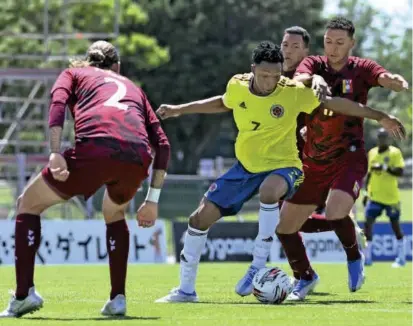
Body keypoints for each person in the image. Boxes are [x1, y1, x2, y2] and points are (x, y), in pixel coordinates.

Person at [153, 41, 404, 303]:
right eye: (264, 76)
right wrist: (180, 109)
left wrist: (378, 115)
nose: (270, 81)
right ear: (252, 70)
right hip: (245, 168)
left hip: (286, 166)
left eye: (275, 75)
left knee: (269, 192)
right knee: (198, 219)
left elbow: (337, 103)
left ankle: (257, 266)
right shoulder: (237, 84)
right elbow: (223, 103)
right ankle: (186, 290)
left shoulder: (292, 91)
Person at [0, 41, 170, 318]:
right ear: (117, 67)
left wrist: (55, 152)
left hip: (95, 148)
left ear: (87, 61)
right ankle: (118, 299)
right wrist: (152, 200)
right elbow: (162, 145)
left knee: (27, 204)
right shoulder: (132, 87)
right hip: (136, 157)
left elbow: (57, 105)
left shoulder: (73, 73)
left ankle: (23, 295)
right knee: (114, 211)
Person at [275, 17, 408, 301]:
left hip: (349, 155)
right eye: (328, 42)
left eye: (339, 42)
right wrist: (316, 78)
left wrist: (392, 81)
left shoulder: (361, 68)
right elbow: (299, 78)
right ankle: (305, 277)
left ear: (351, 43)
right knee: (285, 228)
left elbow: (382, 76)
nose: (332, 48)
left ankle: (354, 256)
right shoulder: (313, 64)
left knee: (336, 211)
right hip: (313, 160)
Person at [280, 26, 367, 289]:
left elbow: (335, 107)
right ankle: (306, 275)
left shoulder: (317, 74)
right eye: (285, 45)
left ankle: (304, 274)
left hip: (318, 158)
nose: (289, 51)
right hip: (285, 158)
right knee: (291, 224)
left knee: (289, 221)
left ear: (306, 51)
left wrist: (313, 126)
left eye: (296, 46)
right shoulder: (273, 75)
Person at [363, 128, 406, 267]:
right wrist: (365, 193)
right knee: (368, 224)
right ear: (378, 139)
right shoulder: (372, 152)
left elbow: (400, 172)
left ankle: (401, 258)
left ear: (389, 138)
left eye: (385, 137)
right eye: (380, 137)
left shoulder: (395, 152)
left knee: (395, 227)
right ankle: (368, 258)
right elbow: (369, 174)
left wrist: (384, 167)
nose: (382, 139)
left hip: (391, 197)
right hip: (374, 196)